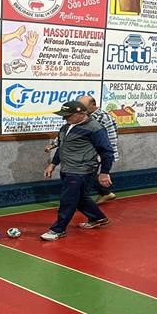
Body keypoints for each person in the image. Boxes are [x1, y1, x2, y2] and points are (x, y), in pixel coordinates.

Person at [41, 101, 115, 241]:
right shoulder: (65, 127)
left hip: (82, 170)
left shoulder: (95, 128)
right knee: (80, 198)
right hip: (67, 169)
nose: (64, 118)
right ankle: (98, 218)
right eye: (63, 115)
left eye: (68, 115)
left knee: (68, 199)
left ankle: (58, 229)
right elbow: (62, 147)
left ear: (81, 114)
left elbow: (107, 151)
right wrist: (52, 164)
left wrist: (105, 172)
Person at [45, 96, 120, 203]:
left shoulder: (103, 118)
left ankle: (82, 202)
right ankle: (102, 195)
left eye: (83, 106)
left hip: (95, 154)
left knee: (86, 179)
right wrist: (54, 144)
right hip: (84, 155)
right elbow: (69, 134)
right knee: (88, 178)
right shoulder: (78, 119)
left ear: (92, 105)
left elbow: (110, 140)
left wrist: (105, 159)